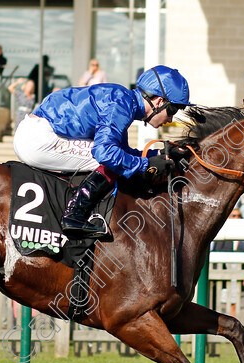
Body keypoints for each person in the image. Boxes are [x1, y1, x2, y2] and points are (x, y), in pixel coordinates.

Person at [12, 65, 190, 237]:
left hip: (35, 133)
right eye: (172, 109)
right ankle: (75, 214)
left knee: (118, 157)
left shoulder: (123, 99)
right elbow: (106, 154)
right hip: (38, 139)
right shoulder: (122, 103)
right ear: (159, 101)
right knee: (111, 162)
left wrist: (157, 155)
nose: (171, 118)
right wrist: (146, 165)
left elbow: (122, 151)